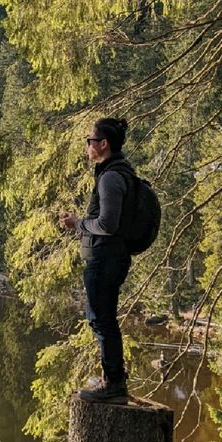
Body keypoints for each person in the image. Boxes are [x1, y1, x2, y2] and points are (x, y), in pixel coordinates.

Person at [59, 117, 134, 404]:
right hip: (106, 257)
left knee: (102, 321)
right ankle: (111, 379)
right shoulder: (112, 173)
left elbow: (107, 224)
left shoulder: (112, 177)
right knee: (102, 319)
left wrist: (78, 223)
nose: (87, 146)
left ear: (103, 144)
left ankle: (114, 384)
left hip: (105, 259)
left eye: (90, 141)